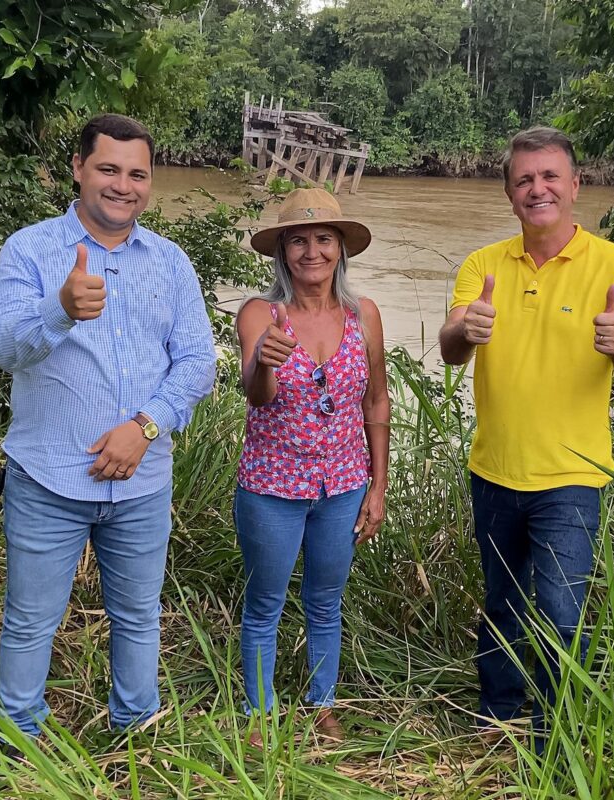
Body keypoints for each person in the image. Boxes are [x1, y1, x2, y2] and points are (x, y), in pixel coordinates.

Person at [0, 114, 216, 743]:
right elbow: (4, 348)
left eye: (137, 174)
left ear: (150, 181)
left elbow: (198, 362)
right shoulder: (29, 250)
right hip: (47, 480)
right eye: (108, 169)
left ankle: (135, 735)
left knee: (139, 617)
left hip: (142, 484)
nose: (123, 185)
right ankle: (18, 743)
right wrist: (58, 310)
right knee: (30, 621)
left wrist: (146, 426)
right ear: (78, 169)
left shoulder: (171, 263)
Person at [438, 127, 614, 741]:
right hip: (494, 468)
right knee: (502, 604)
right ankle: (498, 717)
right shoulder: (483, 265)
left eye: (550, 176)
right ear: (510, 193)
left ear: (576, 185)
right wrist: (466, 330)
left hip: (572, 476)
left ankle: (559, 735)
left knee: (562, 615)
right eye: (525, 180)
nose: (538, 189)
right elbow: (451, 348)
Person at [233, 188, 390, 743]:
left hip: (343, 485)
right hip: (272, 485)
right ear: (283, 252)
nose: (312, 251)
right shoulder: (261, 313)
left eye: (324, 238)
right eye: (297, 241)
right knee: (265, 604)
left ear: (340, 248)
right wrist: (263, 362)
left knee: (326, 601)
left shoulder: (363, 314)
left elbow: (376, 401)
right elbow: (257, 395)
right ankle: (259, 712)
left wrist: (378, 487)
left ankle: (322, 704)